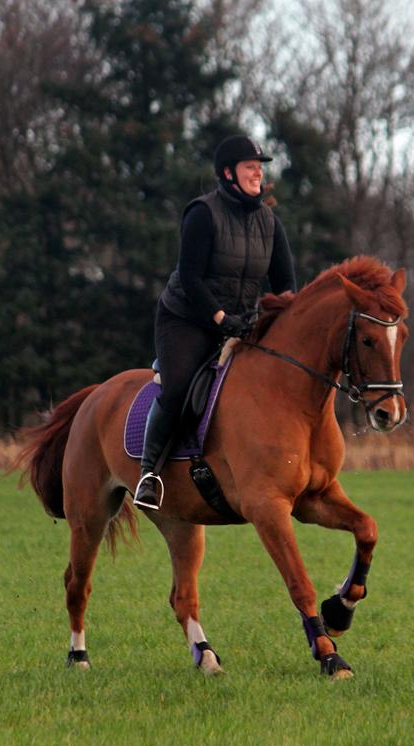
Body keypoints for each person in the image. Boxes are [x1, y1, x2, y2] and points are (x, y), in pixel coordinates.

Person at [134, 134, 297, 510]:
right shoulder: (202, 213)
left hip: (241, 322)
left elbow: (286, 284)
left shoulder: (270, 223)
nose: (258, 173)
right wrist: (221, 318)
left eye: (260, 168)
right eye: (250, 167)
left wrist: (276, 320)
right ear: (228, 173)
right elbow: (189, 278)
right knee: (178, 388)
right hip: (186, 319)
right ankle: (149, 473)